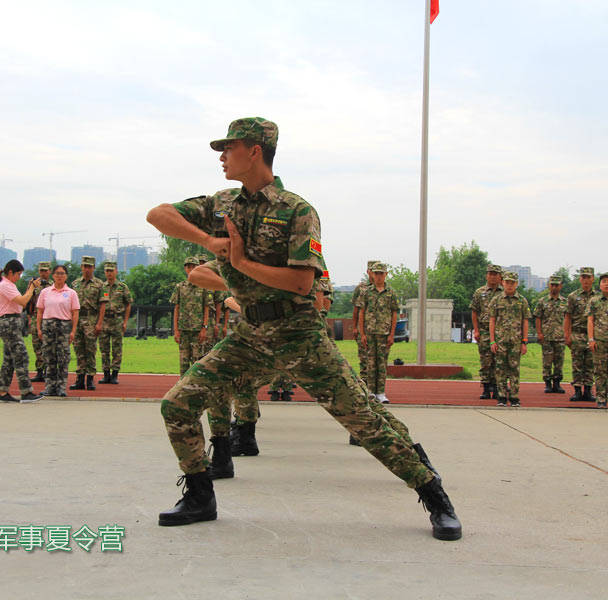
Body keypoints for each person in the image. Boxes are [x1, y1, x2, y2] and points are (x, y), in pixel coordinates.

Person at [146, 117, 460, 540]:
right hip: (248, 336)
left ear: (255, 150)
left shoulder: (297, 211)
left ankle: (435, 496)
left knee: (364, 421)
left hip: (298, 335)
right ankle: (200, 496)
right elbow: (158, 214)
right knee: (177, 405)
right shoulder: (222, 204)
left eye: (230, 147)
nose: (222, 156)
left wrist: (239, 265)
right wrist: (209, 243)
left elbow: (300, 282)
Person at [0, 259, 43, 403]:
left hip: (11, 321)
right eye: (18, 274)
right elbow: (22, 301)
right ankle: (26, 392)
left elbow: (21, 302)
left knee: (9, 359)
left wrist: (29, 288)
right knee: (21, 356)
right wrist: (32, 288)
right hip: (9, 322)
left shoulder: (8, 285)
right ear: (10, 272)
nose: (19, 277)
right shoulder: (5, 285)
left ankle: (2, 392)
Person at [36, 264, 80, 397]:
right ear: (53, 275)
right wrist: (38, 328)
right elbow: (39, 311)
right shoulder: (45, 292)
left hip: (64, 326)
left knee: (63, 357)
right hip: (48, 325)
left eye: (62, 273)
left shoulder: (71, 293)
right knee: (49, 357)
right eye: (57, 273)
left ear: (66, 276)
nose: (59, 276)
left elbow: (75, 313)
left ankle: (61, 387)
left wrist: (73, 331)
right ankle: (49, 386)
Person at [359, 262, 399, 404]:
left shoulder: (391, 293)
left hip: (384, 332)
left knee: (382, 364)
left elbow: (395, 313)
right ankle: (370, 392)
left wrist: (392, 334)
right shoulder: (366, 292)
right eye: (376, 273)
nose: (378, 276)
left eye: (381, 273)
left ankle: (381, 392)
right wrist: (362, 333)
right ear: (372, 274)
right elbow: (361, 312)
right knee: (370, 363)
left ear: (386, 274)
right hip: (370, 332)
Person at [488, 271, 530, 407]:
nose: (510, 285)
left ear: (516, 284)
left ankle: (514, 396)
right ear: (503, 283)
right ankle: (501, 396)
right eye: (507, 282)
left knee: (514, 369)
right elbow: (492, 321)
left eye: (512, 283)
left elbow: (525, 321)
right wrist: (492, 340)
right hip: (500, 341)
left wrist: (524, 341)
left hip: (516, 341)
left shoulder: (522, 301)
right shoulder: (496, 300)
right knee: (500, 369)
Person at [171, 257, 212, 377]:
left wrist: (204, 328)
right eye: (188, 266)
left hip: (197, 331)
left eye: (194, 266)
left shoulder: (204, 287)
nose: (191, 269)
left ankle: (195, 389)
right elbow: (176, 308)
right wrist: (176, 330)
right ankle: (182, 388)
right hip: (183, 330)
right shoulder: (180, 287)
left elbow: (206, 308)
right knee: (183, 363)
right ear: (185, 269)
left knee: (197, 362)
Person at [70, 256, 105, 391]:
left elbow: (103, 305)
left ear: (94, 268)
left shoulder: (100, 284)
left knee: (90, 350)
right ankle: (79, 378)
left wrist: (99, 323)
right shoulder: (75, 284)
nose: (87, 269)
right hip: (77, 319)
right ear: (81, 267)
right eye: (85, 266)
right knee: (79, 349)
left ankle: (90, 379)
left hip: (91, 319)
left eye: (89, 266)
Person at [470, 265, 503, 400]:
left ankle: (496, 387)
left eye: (495, 274)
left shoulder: (503, 293)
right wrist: (476, 330)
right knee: (485, 360)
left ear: (500, 276)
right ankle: (485, 387)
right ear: (486, 275)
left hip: (500, 332)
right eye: (490, 274)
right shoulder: (480, 292)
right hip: (484, 331)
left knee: (498, 361)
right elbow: (474, 311)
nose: (493, 276)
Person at [565, 267, 597, 402]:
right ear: (580, 279)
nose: (585, 280)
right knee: (577, 364)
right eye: (583, 277)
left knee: (590, 364)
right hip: (577, 334)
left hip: (592, 335)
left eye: (588, 277)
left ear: (592, 279)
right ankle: (577, 391)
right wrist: (567, 335)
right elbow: (568, 317)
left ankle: (588, 391)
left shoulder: (598, 297)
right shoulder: (573, 296)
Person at [97, 261, 133, 384]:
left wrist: (125, 321)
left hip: (117, 320)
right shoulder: (101, 287)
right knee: (104, 348)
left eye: (111, 271)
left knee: (117, 348)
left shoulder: (122, 287)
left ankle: (115, 374)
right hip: (105, 319)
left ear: (116, 271)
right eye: (107, 271)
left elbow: (128, 304)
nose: (109, 273)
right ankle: (106, 374)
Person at [533, 275, 567, 394]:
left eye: (556, 285)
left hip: (560, 336)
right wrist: (539, 333)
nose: (554, 287)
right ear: (548, 286)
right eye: (552, 285)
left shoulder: (565, 302)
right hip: (546, 336)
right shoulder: (542, 301)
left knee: (559, 361)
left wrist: (567, 334)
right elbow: (538, 318)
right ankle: (547, 383)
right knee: (547, 361)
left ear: (560, 286)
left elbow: (568, 319)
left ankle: (557, 384)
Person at [27, 261, 53, 383]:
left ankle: (49, 370)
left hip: (49, 318)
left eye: (45, 270)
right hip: (35, 317)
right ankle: (39, 371)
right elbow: (28, 302)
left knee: (49, 346)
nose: (43, 273)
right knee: (37, 345)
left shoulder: (53, 285)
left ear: (50, 271)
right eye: (41, 270)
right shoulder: (34, 284)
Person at [351, 261, 376, 384]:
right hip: (364, 329)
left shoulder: (384, 289)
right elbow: (356, 310)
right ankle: (365, 383)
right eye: (373, 271)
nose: (375, 274)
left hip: (379, 330)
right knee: (364, 357)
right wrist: (355, 328)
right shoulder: (361, 288)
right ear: (368, 272)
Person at [586, 272, 608, 409]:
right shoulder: (594, 301)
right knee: (600, 371)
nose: (607, 284)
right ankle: (601, 397)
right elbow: (590, 320)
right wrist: (591, 339)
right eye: (604, 281)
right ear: (599, 285)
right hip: (599, 341)